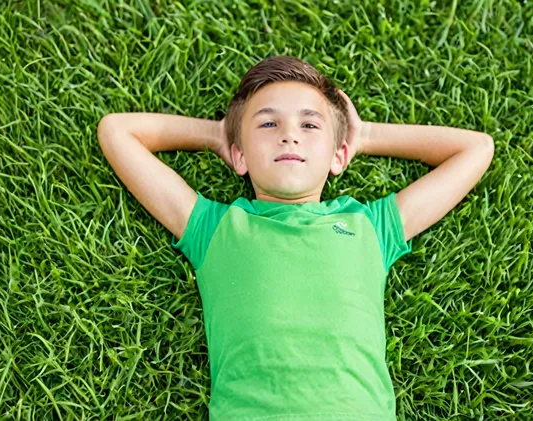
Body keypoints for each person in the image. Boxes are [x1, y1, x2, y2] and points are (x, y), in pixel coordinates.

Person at [97, 55, 494, 420]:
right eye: (268, 124)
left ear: (338, 156)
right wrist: (219, 135)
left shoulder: (371, 226)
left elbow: (476, 148)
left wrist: (365, 136)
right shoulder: (214, 227)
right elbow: (116, 130)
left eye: (309, 125)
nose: (289, 135)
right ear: (239, 156)